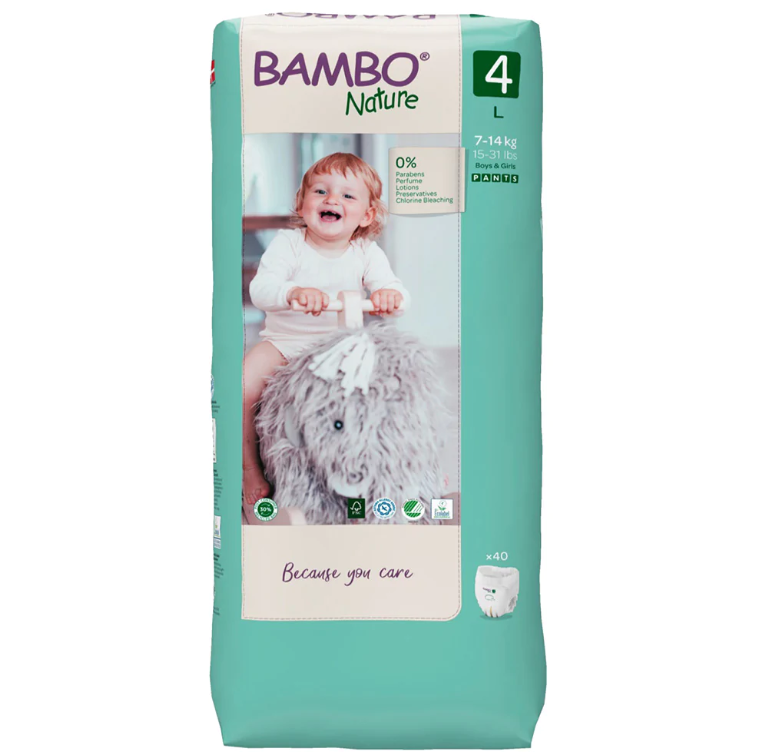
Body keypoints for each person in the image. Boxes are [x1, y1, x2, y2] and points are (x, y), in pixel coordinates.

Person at [243, 152, 410, 513]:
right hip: (285, 344)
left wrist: (389, 296)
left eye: (347, 195)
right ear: (302, 203)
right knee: (243, 386)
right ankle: (249, 468)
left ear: (366, 215)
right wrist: (292, 292)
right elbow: (262, 288)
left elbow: (396, 291)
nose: (332, 199)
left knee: (392, 388)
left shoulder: (366, 252)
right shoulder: (289, 244)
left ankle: (398, 462)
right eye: (320, 191)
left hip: (342, 348)